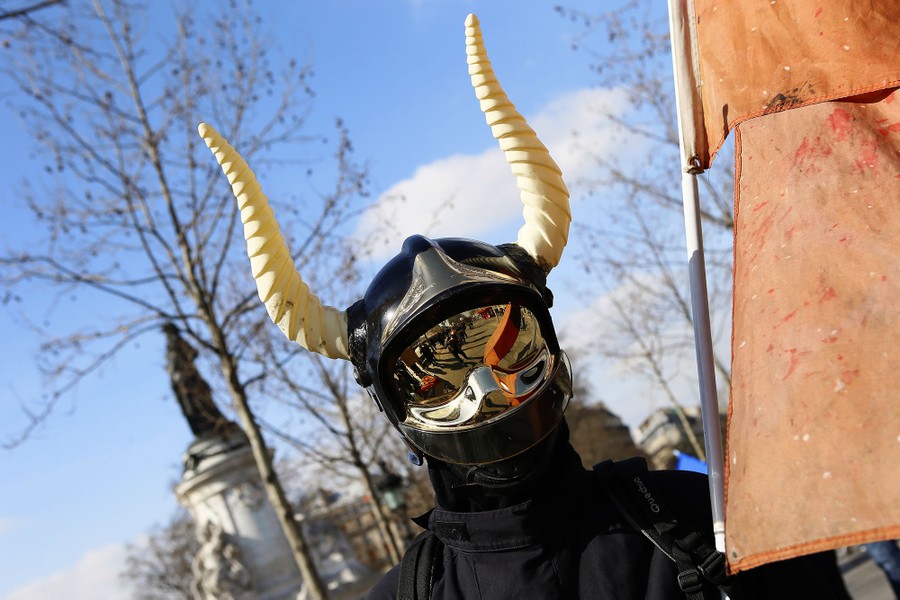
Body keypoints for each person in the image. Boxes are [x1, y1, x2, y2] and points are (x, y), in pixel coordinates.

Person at [199, 13, 851, 600]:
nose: (483, 387)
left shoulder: (711, 524)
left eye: (506, 343)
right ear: (400, 410)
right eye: (437, 374)